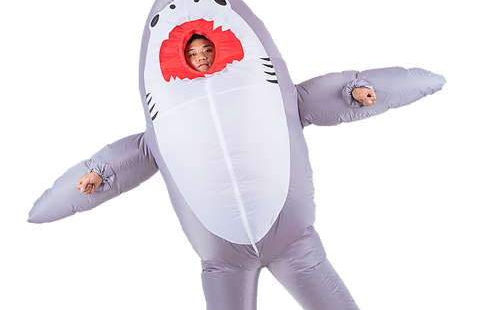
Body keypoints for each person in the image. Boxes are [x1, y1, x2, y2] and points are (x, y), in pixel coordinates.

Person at [76, 41, 376, 195]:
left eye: (207, 49)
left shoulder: (254, 83)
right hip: (218, 227)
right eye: (193, 53)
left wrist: (355, 91)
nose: (201, 56)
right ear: (184, 60)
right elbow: (147, 151)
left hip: (280, 204)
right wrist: (101, 174)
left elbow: (298, 101)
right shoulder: (174, 107)